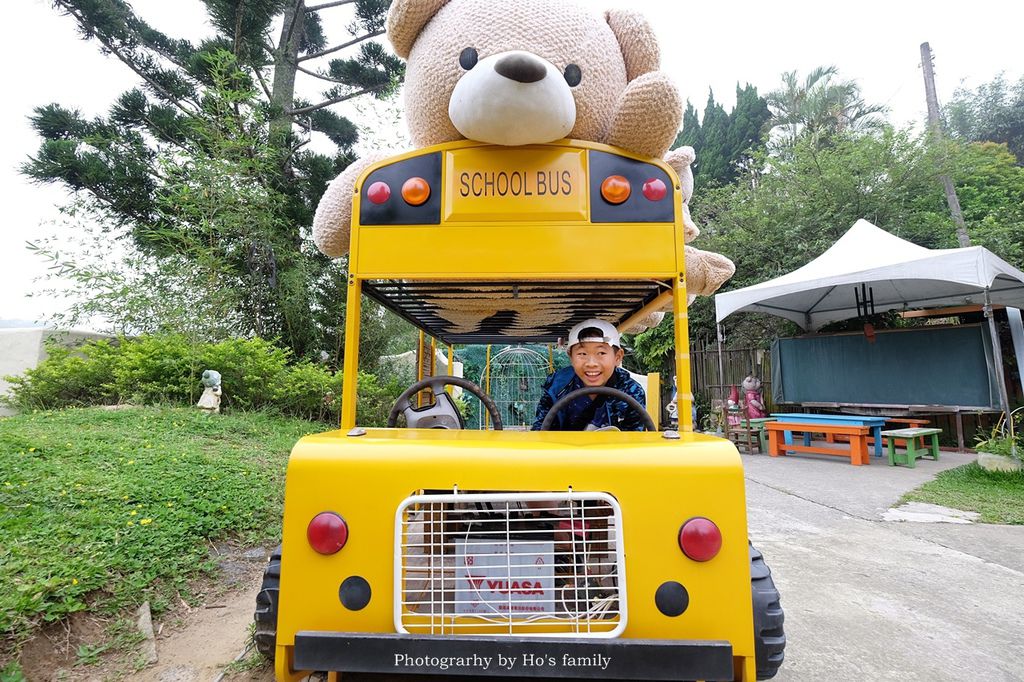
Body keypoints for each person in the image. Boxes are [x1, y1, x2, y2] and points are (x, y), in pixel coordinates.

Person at [531, 319, 647, 431]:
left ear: (618, 357)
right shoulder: (556, 387)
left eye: (601, 353)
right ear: (571, 357)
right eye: (582, 354)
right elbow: (541, 433)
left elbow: (634, 443)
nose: (591, 363)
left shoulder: (631, 392)